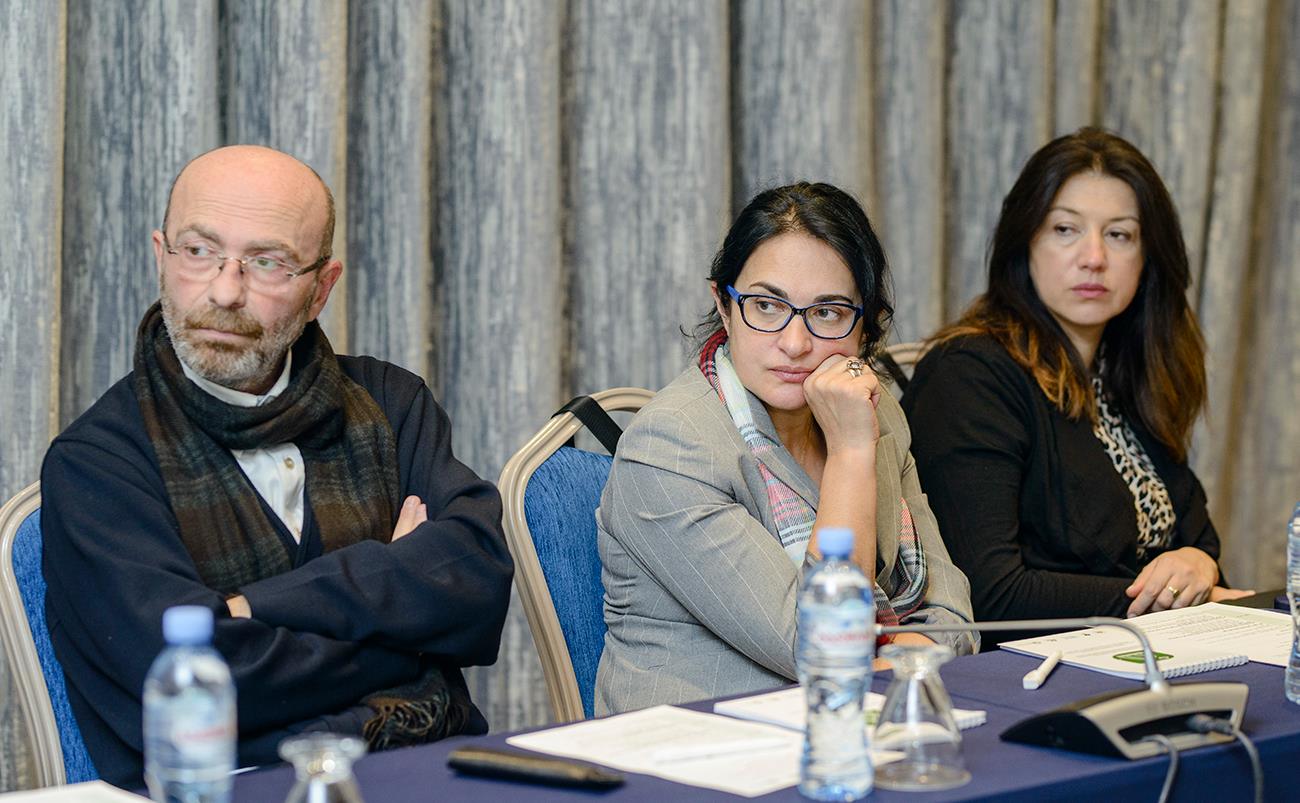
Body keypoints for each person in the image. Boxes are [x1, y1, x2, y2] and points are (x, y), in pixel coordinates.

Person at [40, 145, 514, 787]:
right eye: (198, 251)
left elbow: (476, 583)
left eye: (267, 262)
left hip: (432, 767)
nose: (224, 291)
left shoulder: (391, 402)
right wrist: (407, 625)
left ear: (321, 288)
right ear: (160, 257)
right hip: (228, 789)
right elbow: (197, 680)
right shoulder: (99, 461)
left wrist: (253, 607)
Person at [595, 182, 976, 715]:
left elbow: (954, 615)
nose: (795, 344)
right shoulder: (670, 449)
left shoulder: (876, 413)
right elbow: (825, 651)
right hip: (704, 742)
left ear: (866, 326)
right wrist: (850, 454)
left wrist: (904, 658)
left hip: (857, 718)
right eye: (766, 305)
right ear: (724, 306)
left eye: (828, 313)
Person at [902, 128, 1251, 637]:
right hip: (1028, 667)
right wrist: (1177, 604)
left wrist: (1199, 564)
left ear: (1148, 257)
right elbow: (991, 593)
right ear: (1026, 241)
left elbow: (1192, 538)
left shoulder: (1126, 374)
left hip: (1150, 652)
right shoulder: (968, 374)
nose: (1094, 257)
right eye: (1065, 229)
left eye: (1119, 235)